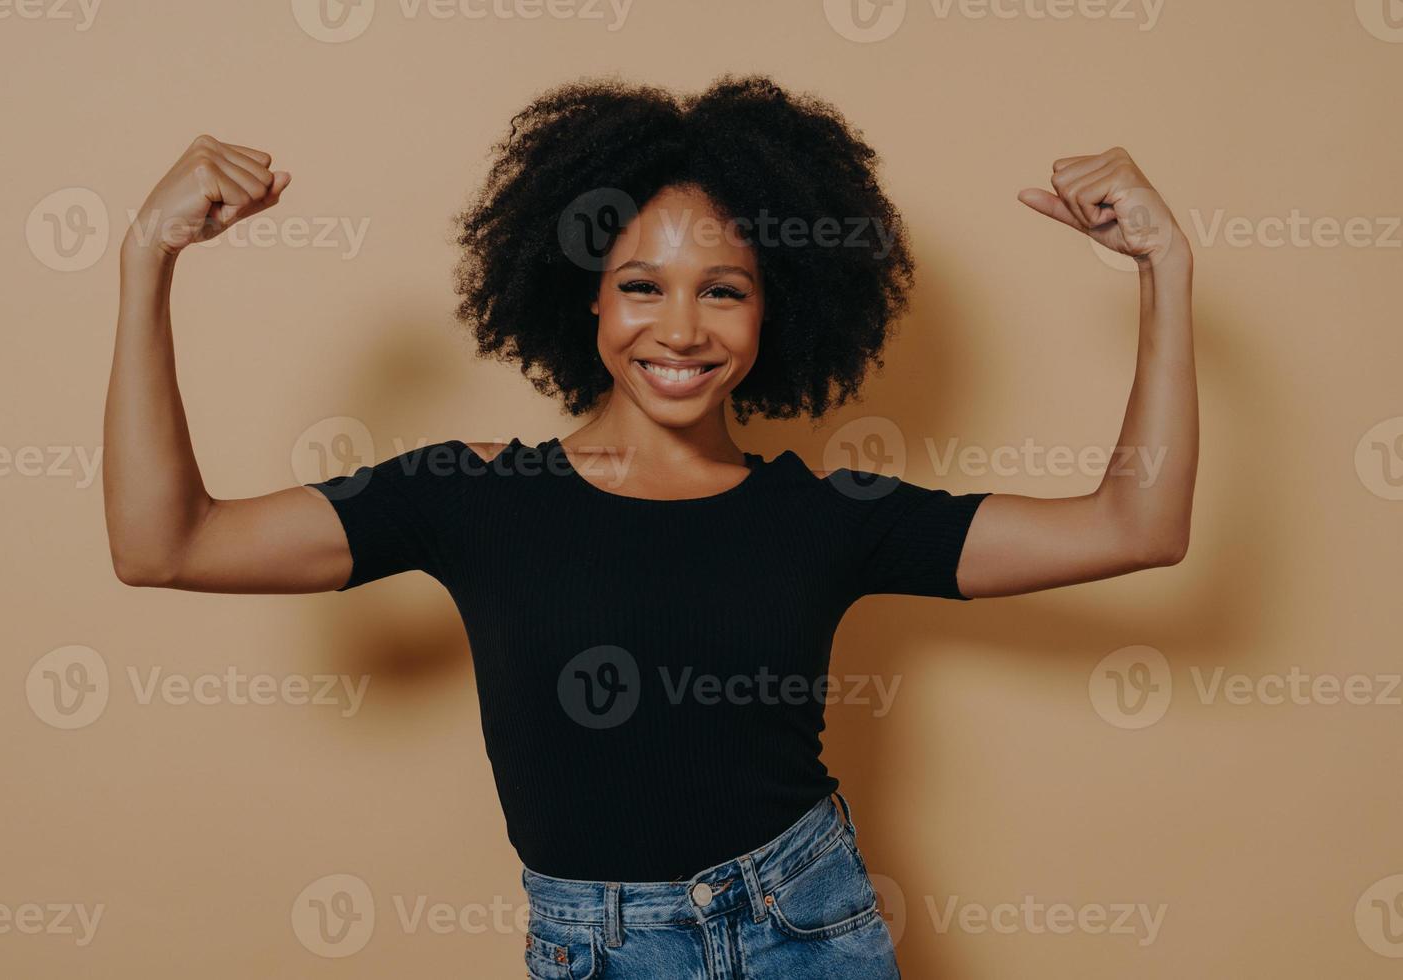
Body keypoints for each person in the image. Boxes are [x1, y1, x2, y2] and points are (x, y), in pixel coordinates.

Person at [102, 76, 1196, 979]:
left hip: (808, 930)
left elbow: (1134, 524)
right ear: (584, 294)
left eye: (724, 289)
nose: (680, 327)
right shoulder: (466, 495)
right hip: (598, 948)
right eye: (641, 284)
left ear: (776, 310)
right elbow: (166, 544)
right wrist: (147, 257)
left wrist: (1167, 271)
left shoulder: (826, 515)